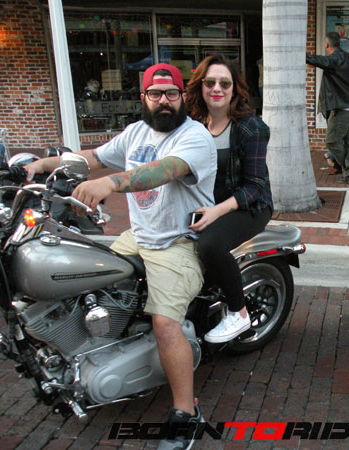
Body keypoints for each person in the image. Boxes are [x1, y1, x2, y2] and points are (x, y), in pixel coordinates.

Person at [26, 63, 216, 449]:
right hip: (138, 237)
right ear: (143, 97)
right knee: (80, 275)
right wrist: (40, 165)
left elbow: (166, 170)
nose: (164, 101)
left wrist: (111, 183)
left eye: (172, 93)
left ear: (183, 97)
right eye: (155, 94)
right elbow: (93, 157)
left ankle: (186, 413)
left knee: (165, 325)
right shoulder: (135, 132)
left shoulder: (195, 136)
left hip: (178, 243)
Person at [185, 54, 273, 344]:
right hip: (210, 203)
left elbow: (255, 186)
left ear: (235, 89)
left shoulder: (251, 128)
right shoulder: (194, 125)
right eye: (210, 82)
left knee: (210, 244)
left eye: (225, 83)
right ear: (200, 86)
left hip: (248, 206)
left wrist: (217, 211)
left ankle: (239, 312)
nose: (217, 88)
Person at [306, 31, 349, 185]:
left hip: (342, 107)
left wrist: (300, 54)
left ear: (327, 44)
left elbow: (319, 60)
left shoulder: (335, 59)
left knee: (331, 141)